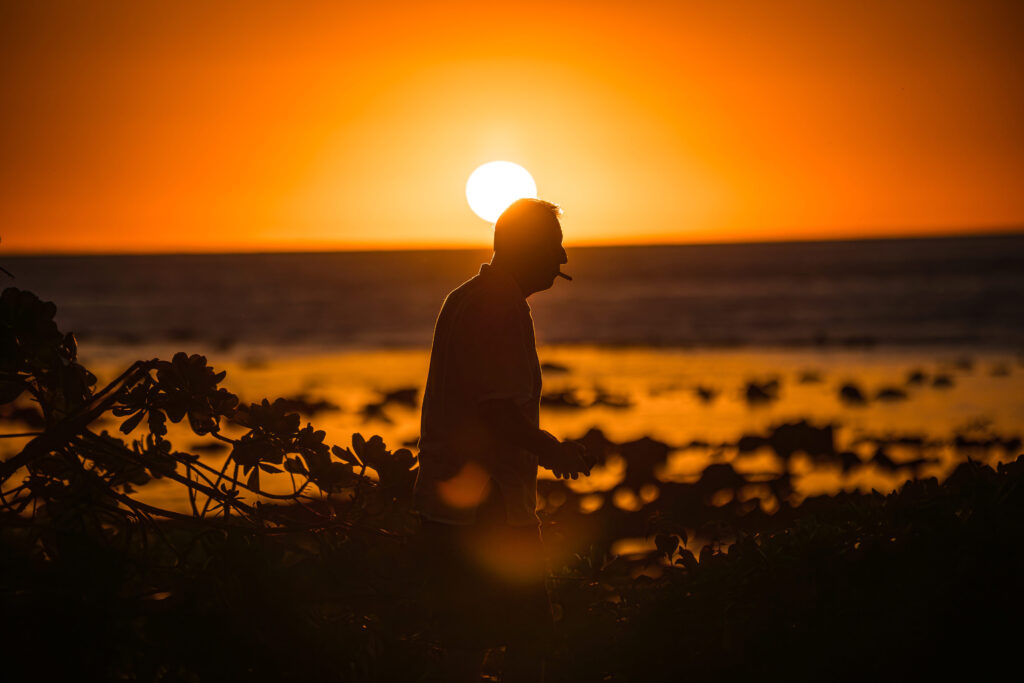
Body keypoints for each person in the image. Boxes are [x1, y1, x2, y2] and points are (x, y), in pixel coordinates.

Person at [412, 198, 592, 682]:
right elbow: (496, 412)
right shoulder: (497, 307)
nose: (563, 259)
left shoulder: (470, 296)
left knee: (466, 646)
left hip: (456, 505)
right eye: (555, 246)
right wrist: (553, 450)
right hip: (487, 508)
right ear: (528, 248)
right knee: (526, 641)